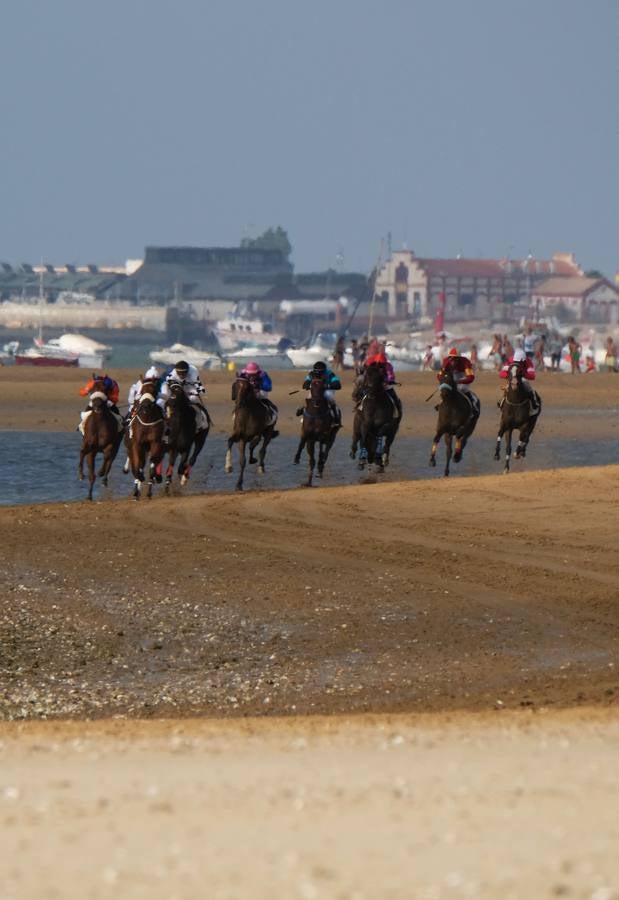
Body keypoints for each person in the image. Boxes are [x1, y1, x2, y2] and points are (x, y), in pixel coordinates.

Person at [160, 359, 209, 432]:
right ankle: (166, 424)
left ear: (187, 371)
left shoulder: (193, 373)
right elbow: (169, 385)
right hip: (178, 388)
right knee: (168, 402)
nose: (181, 375)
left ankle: (200, 424)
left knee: (194, 399)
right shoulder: (172, 375)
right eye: (179, 373)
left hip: (190, 388)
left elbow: (200, 389)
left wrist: (193, 393)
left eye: (183, 373)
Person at [354, 350, 402, 419]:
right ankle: (359, 406)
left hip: (385, 385)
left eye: (381, 363)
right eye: (378, 362)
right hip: (374, 384)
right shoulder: (372, 365)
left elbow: (391, 376)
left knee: (394, 396)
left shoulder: (388, 366)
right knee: (363, 394)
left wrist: (387, 381)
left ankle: (397, 411)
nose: (379, 364)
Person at [297, 360, 342, 427]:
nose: (318, 374)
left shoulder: (330, 374)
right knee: (308, 398)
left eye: (320, 372)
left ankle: (336, 418)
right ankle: (302, 413)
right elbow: (305, 383)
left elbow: (337, 384)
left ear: (324, 371)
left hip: (327, 390)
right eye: (316, 372)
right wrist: (308, 385)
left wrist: (328, 386)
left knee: (330, 398)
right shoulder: (311, 374)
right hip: (316, 390)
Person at [438, 347, 479, 418]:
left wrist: (458, 381)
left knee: (463, 389)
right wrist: (445, 382)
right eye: (451, 358)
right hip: (452, 376)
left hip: (463, 376)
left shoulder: (465, 362)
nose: (453, 361)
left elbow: (470, 377)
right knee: (445, 390)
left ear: (459, 358)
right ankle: (441, 404)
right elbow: (439, 375)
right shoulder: (446, 362)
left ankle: (473, 405)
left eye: (455, 358)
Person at [238, 360, 278, 427]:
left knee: (261, 395)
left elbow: (268, 387)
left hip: (260, 391)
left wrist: (258, 387)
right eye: (249, 374)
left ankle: (269, 415)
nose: (251, 376)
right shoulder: (242, 374)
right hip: (247, 392)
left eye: (253, 374)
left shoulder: (263, 375)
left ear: (257, 372)